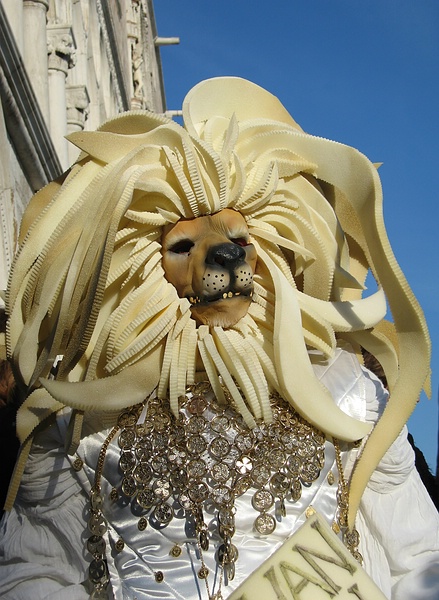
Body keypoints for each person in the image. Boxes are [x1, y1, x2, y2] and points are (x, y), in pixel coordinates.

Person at [0, 77, 438, 599]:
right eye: (182, 246)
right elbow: (35, 572)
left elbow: (420, 558)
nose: (224, 254)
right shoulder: (83, 425)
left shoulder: (347, 392)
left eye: (238, 239)